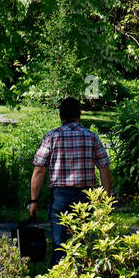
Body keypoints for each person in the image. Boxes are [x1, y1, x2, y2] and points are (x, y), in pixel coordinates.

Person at [28, 96, 111, 264]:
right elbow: (104, 168)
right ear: (79, 116)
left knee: (60, 245)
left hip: (60, 197)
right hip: (87, 196)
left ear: (61, 116)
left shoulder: (52, 137)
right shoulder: (91, 137)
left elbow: (39, 170)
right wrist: (106, 199)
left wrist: (33, 200)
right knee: (85, 242)